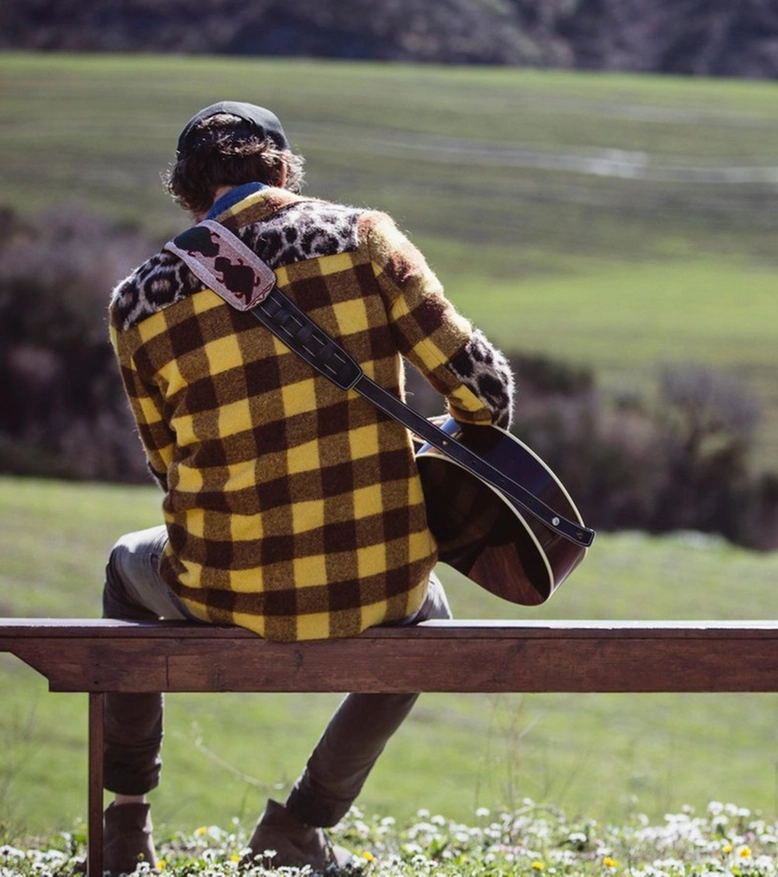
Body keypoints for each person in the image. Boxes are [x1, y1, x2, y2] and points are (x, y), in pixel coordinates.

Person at [100, 100, 515, 874]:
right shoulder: (363, 241)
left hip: (222, 585)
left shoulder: (138, 301)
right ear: (284, 171)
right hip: (379, 583)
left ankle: (125, 823)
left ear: (188, 196)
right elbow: (484, 394)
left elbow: (166, 468)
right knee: (432, 615)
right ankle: (300, 822)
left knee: (124, 571)